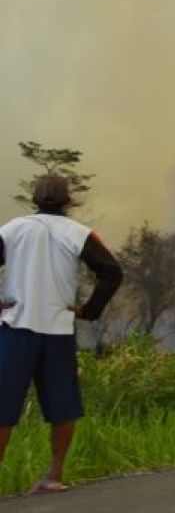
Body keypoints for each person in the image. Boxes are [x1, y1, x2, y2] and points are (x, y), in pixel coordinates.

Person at [0, 175, 123, 493]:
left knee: (3, 407)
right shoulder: (78, 233)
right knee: (62, 406)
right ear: (69, 201)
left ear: (34, 199)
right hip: (57, 329)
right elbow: (112, 272)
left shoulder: (12, 230)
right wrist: (88, 311)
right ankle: (54, 476)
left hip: (17, 329)